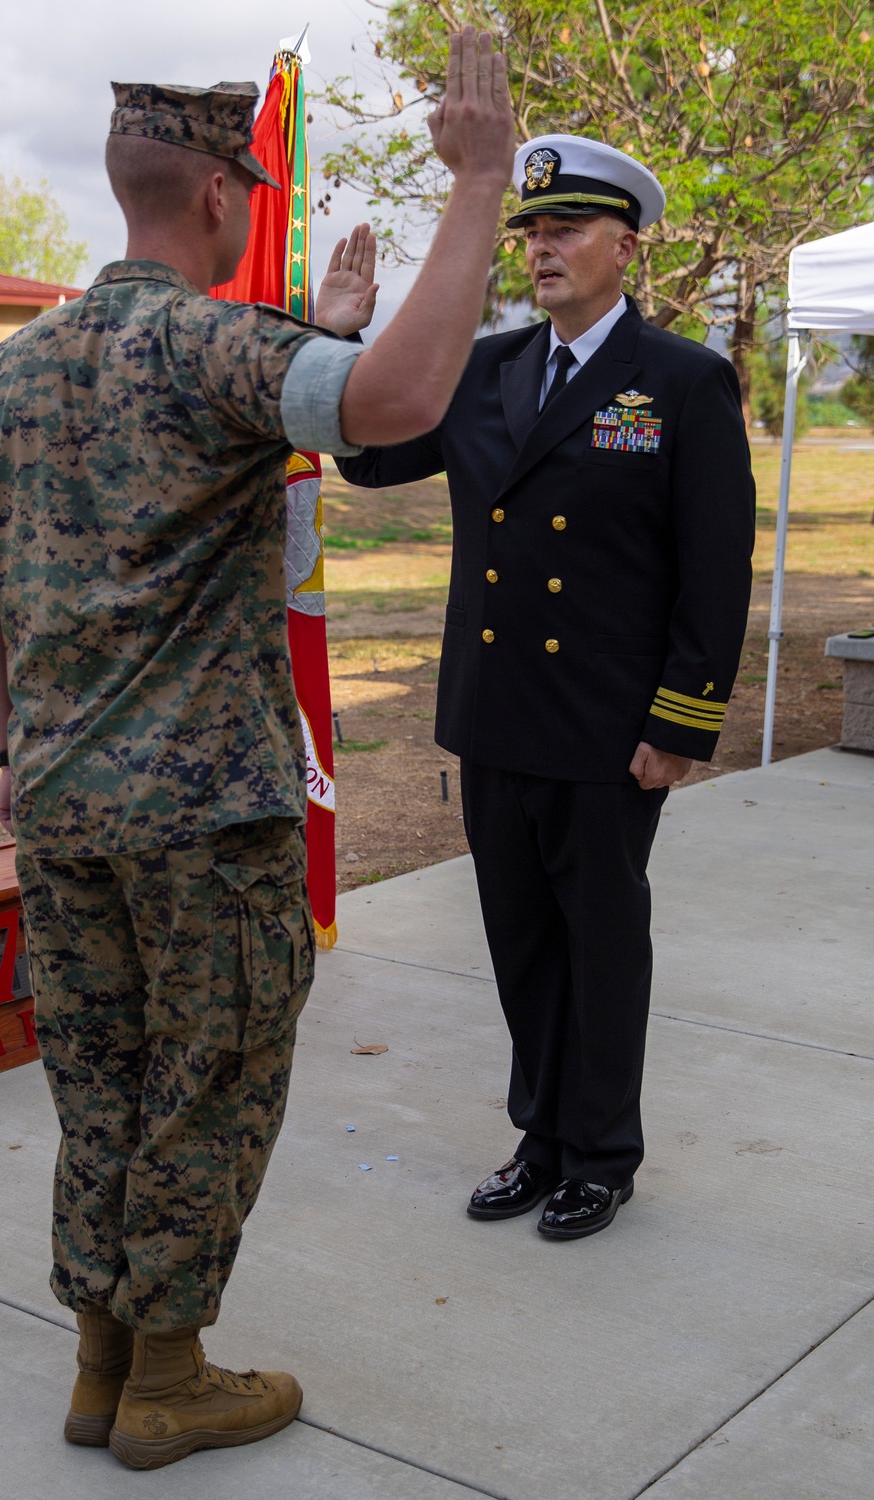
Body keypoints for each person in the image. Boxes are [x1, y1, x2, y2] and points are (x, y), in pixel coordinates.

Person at [0, 33, 515, 1471]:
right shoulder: (214, 346)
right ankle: (168, 1383)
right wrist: (481, 184)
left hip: (64, 805)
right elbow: (395, 406)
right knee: (210, 1080)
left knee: (102, 1079)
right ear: (217, 194)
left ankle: (99, 1360)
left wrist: (23, 744)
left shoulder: (15, 368)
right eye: (247, 187)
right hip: (205, 818)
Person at [337, 134, 754, 1242]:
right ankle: (540, 1138)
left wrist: (681, 722)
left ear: (626, 243)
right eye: (529, 230)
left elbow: (714, 569)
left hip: (611, 726)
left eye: (564, 228)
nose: (539, 248)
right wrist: (338, 338)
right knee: (520, 938)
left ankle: (601, 1155)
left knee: (602, 944)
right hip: (497, 711)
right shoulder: (488, 367)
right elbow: (369, 456)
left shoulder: (680, 380)